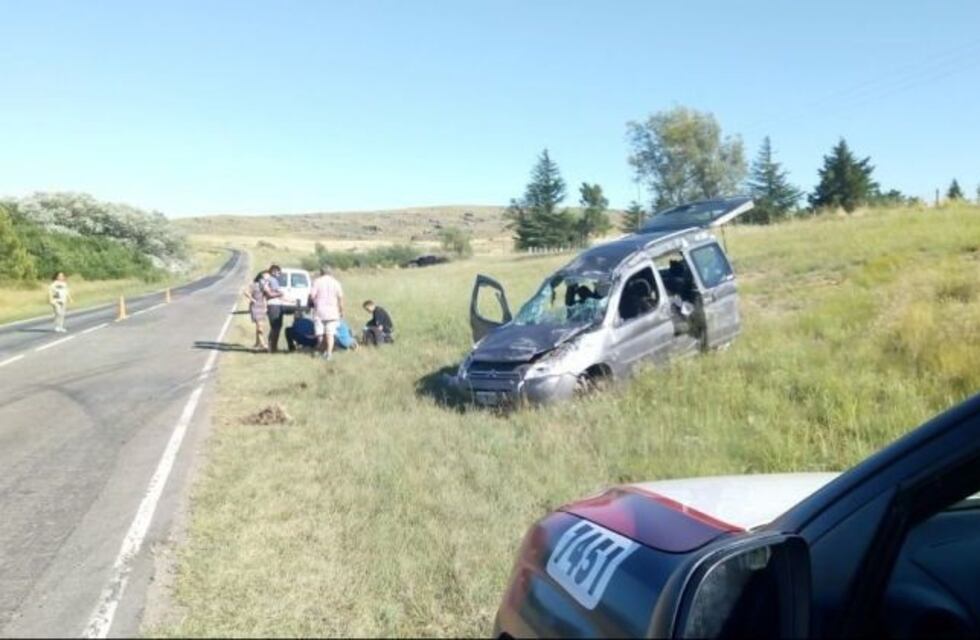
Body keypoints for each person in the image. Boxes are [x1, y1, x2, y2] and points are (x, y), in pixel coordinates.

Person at [309, 265, 344, 360]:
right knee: (330, 333)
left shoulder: (317, 282)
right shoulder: (336, 283)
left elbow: (312, 296)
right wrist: (341, 310)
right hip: (333, 311)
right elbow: (340, 298)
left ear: (321, 272)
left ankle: (320, 349)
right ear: (330, 272)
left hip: (320, 310)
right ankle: (328, 353)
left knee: (320, 333)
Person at [243, 271, 274, 351]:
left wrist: (266, 306)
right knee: (259, 326)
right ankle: (263, 344)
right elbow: (245, 292)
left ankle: (257, 343)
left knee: (260, 326)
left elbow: (265, 297)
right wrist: (252, 299)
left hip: (262, 306)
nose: (266, 278)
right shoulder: (254, 285)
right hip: (255, 307)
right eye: (265, 277)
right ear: (260, 277)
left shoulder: (265, 286)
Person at [265, 264, 286, 352]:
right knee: (276, 327)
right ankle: (272, 347)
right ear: (273, 271)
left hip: (274, 304)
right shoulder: (272, 280)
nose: (279, 273)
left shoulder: (271, 280)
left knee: (275, 327)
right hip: (274, 305)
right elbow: (270, 294)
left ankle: (272, 346)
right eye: (278, 272)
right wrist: (280, 294)